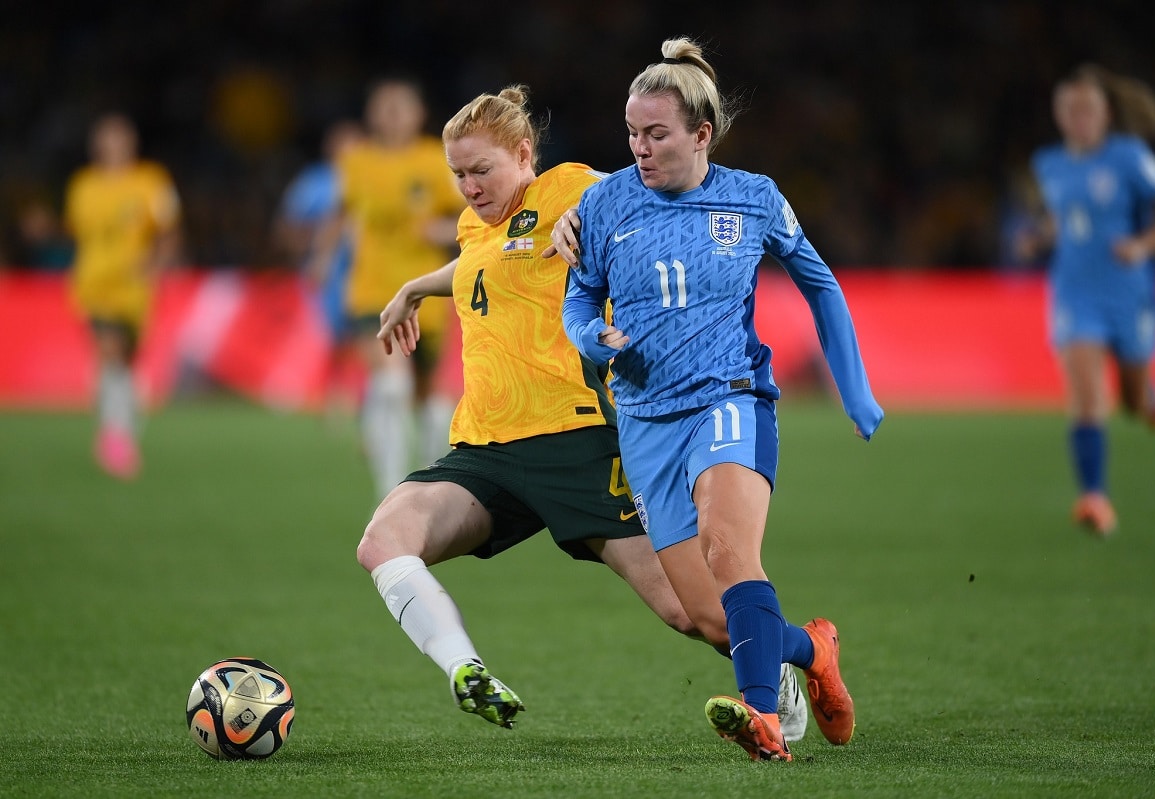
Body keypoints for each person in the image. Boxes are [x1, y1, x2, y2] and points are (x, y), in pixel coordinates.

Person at [357, 85, 808, 740]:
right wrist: (413, 287)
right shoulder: (473, 223)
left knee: (698, 616)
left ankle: (802, 654)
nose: (468, 186)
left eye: (481, 170)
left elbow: (649, 189)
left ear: (524, 152)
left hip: (580, 445)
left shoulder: (569, 188)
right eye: (457, 173)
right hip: (485, 454)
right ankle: (467, 670)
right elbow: (482, 262)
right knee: (383, 540)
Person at [547, 38, 883, 762]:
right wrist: (591, 338)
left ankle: (763, 716)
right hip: (643, 420)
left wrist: (853, 387)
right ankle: (814, 650)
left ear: (702, 135)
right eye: (632, 133)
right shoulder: (601, 206)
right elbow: (578, 298)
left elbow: (821, 283)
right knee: (706, 616)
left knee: (731, 553)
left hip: (729, 398)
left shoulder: (753, 196)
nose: (639, 147)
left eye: (656, 133)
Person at [1022, 64, 1155, 536]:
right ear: (1059, 114)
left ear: (1106, 113)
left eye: (1088, 108)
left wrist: (1141, 246)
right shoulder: (1049, 164)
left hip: (1128, 291)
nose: (1078, 116)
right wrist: (1039, 238)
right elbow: (1065, 219)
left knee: (1133, 403)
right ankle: (1094, 498)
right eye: (1069, 108)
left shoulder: (1130, 157)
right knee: (1085, 394)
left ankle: (1149, 394)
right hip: (1076, 292)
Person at [317, 78, 465, 500]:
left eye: (402, 107)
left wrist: (437, 230)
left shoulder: (434, 160)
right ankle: (391, 493)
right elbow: (341, 213)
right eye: (386, 107)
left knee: (428, 402)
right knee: (393, 384)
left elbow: (468, 218)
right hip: (372, 290)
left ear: (418, 114)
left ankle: (427, 479)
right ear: (372, 114)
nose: (393, 115)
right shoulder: (356, 161)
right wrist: (324, 258)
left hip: (425, 295)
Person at [63, 113, 180, 479]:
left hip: (134, 287)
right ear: (97, 144)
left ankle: (119, 421)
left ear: (132, 142)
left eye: (120, 137)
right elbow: (77, 233)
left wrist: (157, 263)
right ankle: (115, 438)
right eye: (107, 138)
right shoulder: (82, 185)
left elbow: (169, 229)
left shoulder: (150, 181)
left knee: (125, 360)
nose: (114, 144)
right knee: (109, 348)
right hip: (95, 284)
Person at [274, 119, 364, 419]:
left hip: (369, 269)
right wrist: (309, 252)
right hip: (330, 271)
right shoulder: (314, 182)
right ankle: (328, 391)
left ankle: (359, 394)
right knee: (332, 333)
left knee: (366, 332)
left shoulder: (372, 178)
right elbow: (288, 226)